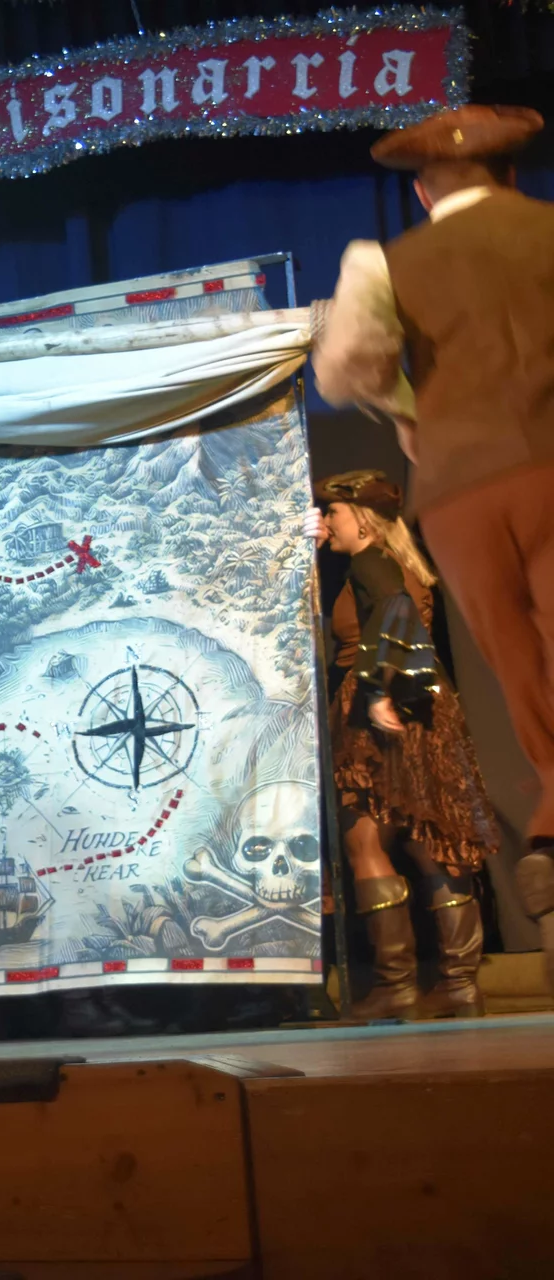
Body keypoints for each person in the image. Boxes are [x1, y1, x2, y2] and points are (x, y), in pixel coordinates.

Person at [310, 103, 554, 988]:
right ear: (513, 175)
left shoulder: (383, 262)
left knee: (523, 672)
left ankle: (550, 842)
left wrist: (416, 417)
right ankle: (550, 837)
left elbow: (344, 371)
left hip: (457, 491)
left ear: (419, 192)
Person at [314, 472, 500, 1018]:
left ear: (364, 522)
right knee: (429, 839)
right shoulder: (400, 561)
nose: (327, 521)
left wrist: (375, 692)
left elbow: (392, 609)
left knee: (365, 841)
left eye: (334, 513)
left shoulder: (371, 563)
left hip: (381, 703)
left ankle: (397, 986)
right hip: (425, 705)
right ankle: (460, 985)